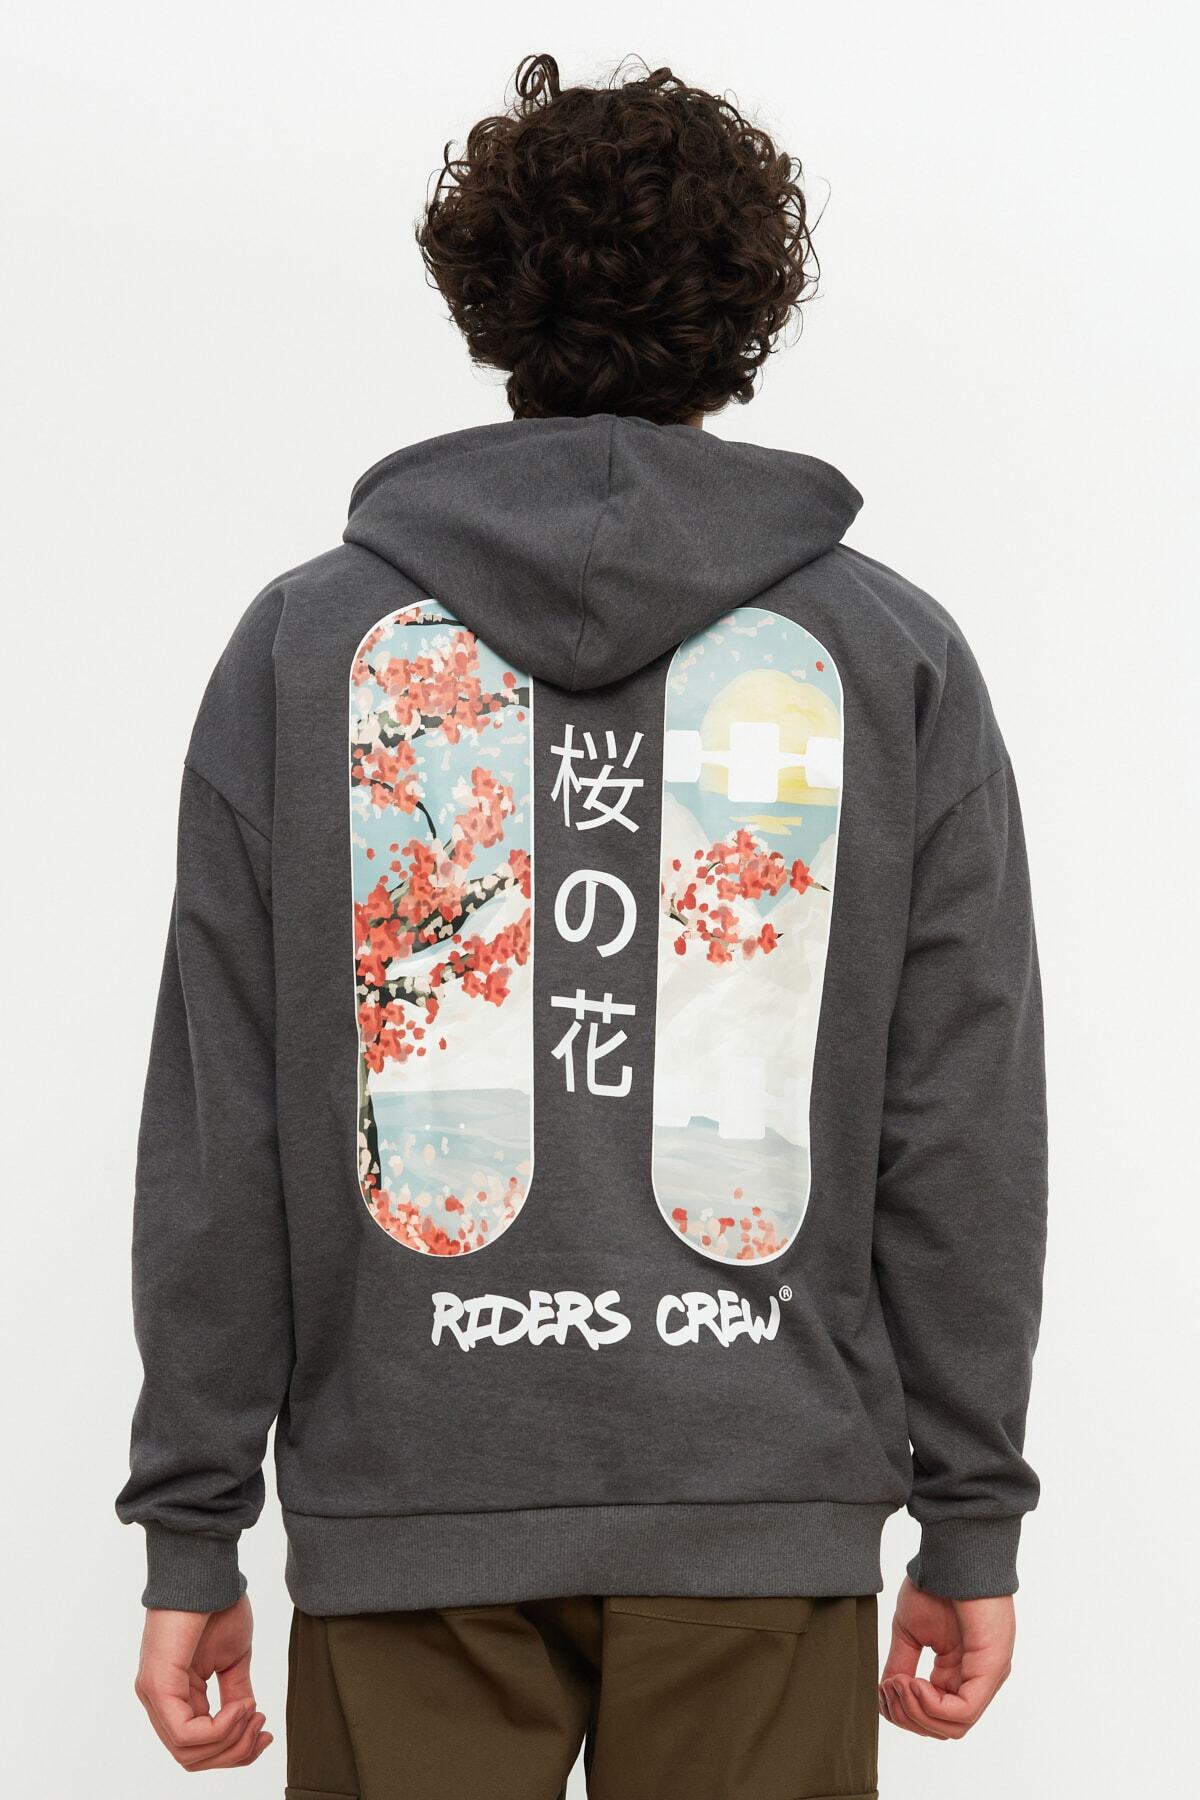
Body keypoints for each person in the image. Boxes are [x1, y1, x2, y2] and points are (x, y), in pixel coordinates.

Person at [118, 52, 1047, 1798]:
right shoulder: (888, 658)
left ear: (490, 302)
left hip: (412, 1495)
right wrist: (972, 1509)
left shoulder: (307, 650)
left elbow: (226, 1125)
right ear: (746, 314)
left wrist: (192, 1526)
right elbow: (960, 1119)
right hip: (760, 1500)